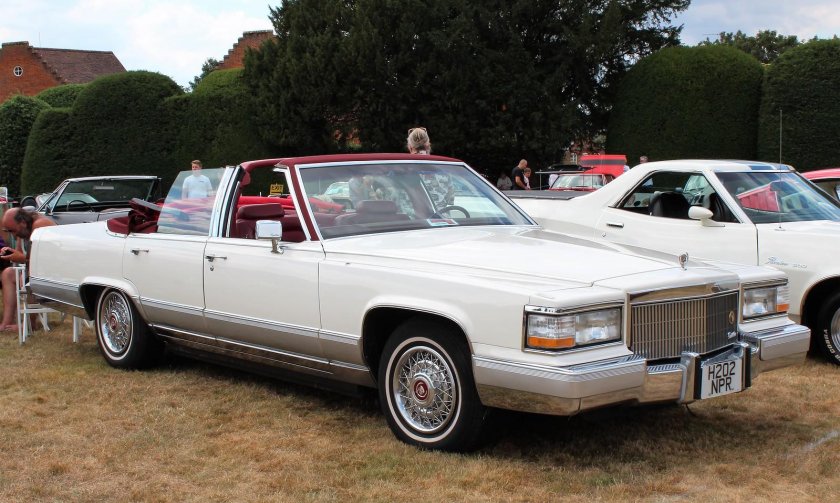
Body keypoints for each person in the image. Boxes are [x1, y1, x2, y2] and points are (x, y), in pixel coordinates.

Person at [0, 208, 56, 332]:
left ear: (23, 223)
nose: (13, 235)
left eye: (13, 231)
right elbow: (21, 254)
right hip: (35, 270)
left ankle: (30, 324)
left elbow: (39, 258)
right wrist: (10, 252)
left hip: (54, 274)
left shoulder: (40, 225)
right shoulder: (24, 230)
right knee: (8, 273)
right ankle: (6, 323)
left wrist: (20, 257)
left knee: (26, 278)